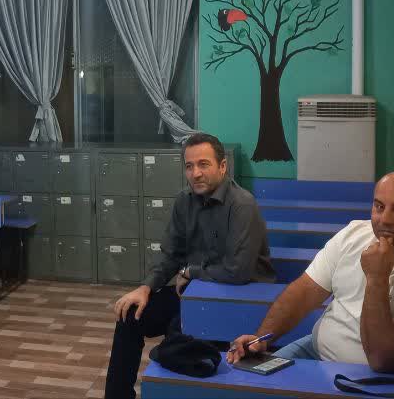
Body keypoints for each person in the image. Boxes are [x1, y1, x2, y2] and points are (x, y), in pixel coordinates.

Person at [227, 170, 394, 373]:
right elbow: (305, 291)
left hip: (364, 376)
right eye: (379, 206)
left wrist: (377, 278)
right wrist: (261, 339)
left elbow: (384, 361)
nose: (385, 219)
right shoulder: (355, 233)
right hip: (314, 347)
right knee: (244, 381)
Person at [105, 132, 275, 399]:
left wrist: (190, 272)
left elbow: (237, 272)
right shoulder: (184, 201)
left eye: (203, 164)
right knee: (130, 315)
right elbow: (171, 254)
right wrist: (145, 288)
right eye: (189, 166)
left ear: (222, 166)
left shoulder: (242, 205)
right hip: (196, 293)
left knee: (178, 334)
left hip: (238, 299)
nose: (195, 173)